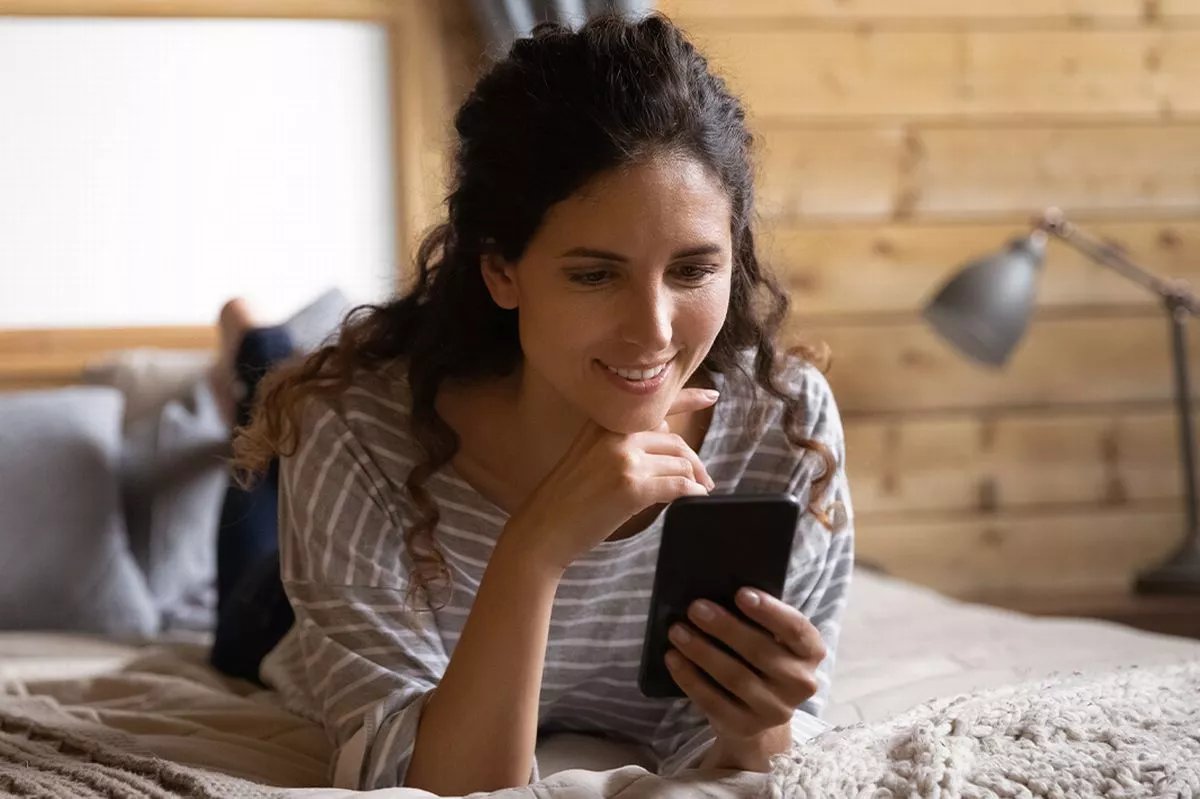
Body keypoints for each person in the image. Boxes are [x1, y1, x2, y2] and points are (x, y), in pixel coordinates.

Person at [221, 12, 854, 795]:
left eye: (693, 270)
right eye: (594, 274)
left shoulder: (784, 428)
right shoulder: (354, 425)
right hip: (272, 618)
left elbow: (758, 753)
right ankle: (255, 352)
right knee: (264, 449)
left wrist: (758, 721)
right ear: (501, 272)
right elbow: (432, 783)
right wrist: (536, 546)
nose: (653, 332)